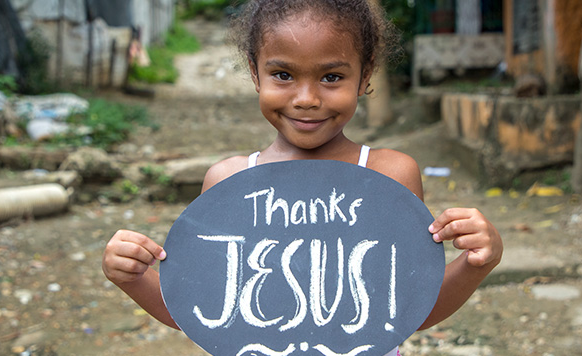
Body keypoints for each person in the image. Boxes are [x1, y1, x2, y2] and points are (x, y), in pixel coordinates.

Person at [102, 0, 503, 354]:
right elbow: (209, 317)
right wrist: (133, 278)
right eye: (282, 75)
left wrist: (477, 262)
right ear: (255, 73)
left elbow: (410, 309)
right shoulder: (229, 183)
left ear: (365, 77)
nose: (306, 98)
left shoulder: (390, 176)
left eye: (331, 77)